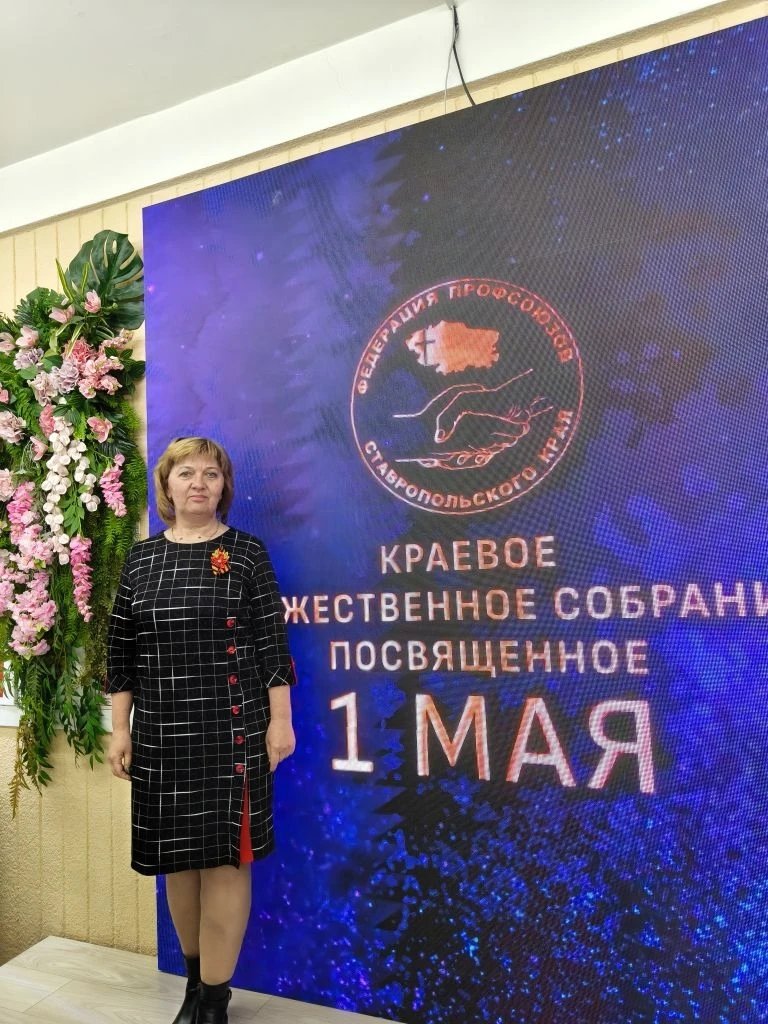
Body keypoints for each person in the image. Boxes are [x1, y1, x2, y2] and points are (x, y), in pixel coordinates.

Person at [107, 437, 296, 1024]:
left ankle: (215, 1000)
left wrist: (281, 721)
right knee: (178, 861)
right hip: (161, 732)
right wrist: (120, 729)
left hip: (233, 729)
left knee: (225, 862)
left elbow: (272, 645)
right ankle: (193, 984)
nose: (198, 483)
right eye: (185, 473)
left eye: (210, 474)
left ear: (223, 487)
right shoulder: (141, 560)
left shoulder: (246, 553)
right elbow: (121, 654)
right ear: (166, 485)